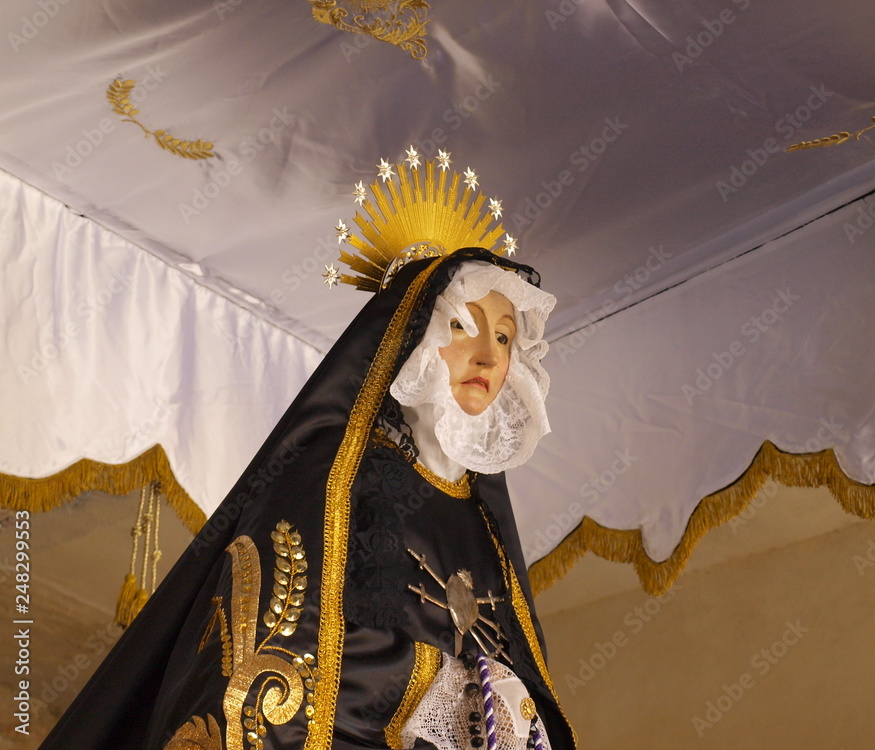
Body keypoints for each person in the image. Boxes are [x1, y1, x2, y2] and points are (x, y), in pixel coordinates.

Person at [38, 246, 575, 750]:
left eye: (503, 339)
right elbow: (291, 648)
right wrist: (446, 685)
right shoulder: (336, 477)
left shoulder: (486, 526)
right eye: (462, 326)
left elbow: (530, 693)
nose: (486, 356)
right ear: (416, 336)